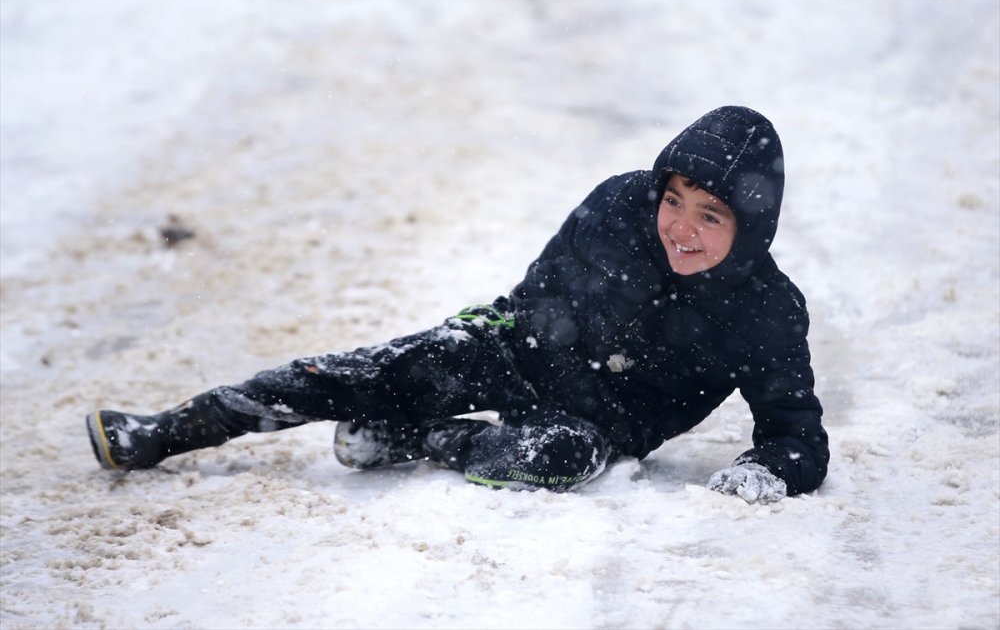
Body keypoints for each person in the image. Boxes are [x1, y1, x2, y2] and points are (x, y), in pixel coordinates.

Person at [87, 105, 829, 504]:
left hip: (592, 426)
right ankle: (168, 429)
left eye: (710, 215)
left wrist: (767, 468)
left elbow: (799, 436)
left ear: (750, 226)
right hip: (521, 349)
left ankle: (422, 438)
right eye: (675, 200)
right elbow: (537, 292)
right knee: (355, 371)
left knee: (559, 456)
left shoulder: (765, 313)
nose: (680, 227)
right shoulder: (618, 204)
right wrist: (478, 339)